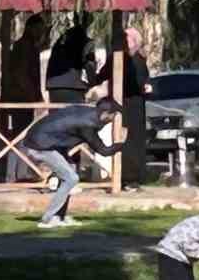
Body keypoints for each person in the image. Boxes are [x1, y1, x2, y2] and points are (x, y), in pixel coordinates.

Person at [20, 96, 124, 227]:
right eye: (113, 115)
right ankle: (47, 220)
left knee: (70, 173)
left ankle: (59, 217)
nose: (113, 119)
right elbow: (104, 151)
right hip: (39, 145)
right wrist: (123, 143)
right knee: (71, 178)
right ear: (105, 114)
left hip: (48, 141)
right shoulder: (87, 125)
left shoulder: (90, 114)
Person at [91, 28, 152, 189]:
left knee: (134, 140)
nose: (124, 42)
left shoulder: (138, 59)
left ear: (134, 42)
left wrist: (147, 87)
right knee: (123, 139)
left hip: (135, 106)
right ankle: (125, 177)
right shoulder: (116, 57)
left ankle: (133, 178)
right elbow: (101, 76)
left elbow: (143, 81)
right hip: (121, 104)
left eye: (128, 39)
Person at [1, 15, 47, 182]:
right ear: (30, 28)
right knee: (18, 136)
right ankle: (11, 174)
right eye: (39, 29)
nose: (41, 33)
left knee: (24, 135)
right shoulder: (24, 46)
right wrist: (31, 95)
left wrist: (37, 96)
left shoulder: (29, 46)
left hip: (25, 97)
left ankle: (21, 172)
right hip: (21, 98)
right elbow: (20, 74)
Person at [44, 16, 93, 104]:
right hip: (71, 87)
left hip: (52, 87)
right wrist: (93, 84)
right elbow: (90, 68)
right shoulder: (86, 42)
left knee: (57, 112)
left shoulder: (62, 39)